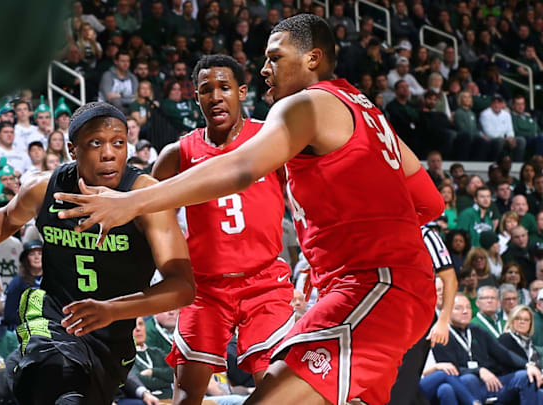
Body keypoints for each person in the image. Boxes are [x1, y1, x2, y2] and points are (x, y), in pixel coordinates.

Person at [54, 14, 444, 405]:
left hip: (368, 285)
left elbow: (241, 168)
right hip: (379, 288)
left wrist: (130, 201)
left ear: (313, 58)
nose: (265, 69)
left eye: (275, 57)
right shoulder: (368, 111)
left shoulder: (305, 104)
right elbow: (430, 202)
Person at [0, 101, 195, 405]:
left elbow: (183, 288)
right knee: (53, 380)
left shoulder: (146, 197)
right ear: (73, 150)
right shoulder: (43, 188)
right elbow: (6, 219)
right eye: (96, 143)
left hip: (110, 337)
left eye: (119, 143)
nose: (109, 153)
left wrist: (112, 310)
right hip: (52, 318)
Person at [152, 54, 294, 405]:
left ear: (242, 92)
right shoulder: (179, 152)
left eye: (224, 87)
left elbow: (304, 202)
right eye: (206, 90)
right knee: (186, 394)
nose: (215, 96)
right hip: (204, 287)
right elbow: (149, 215)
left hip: (263, 282)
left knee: (277, 391)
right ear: (196, 98)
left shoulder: (270, 139)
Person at [388, 224, 459, 404]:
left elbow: (450, 278)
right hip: (386, 317)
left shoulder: (425, 234)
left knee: (402, 384)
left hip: (416, 319)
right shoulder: (379, 230)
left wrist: (443, 321)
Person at [433, 294, 543, 404]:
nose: (465, 311)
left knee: (526, 376)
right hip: (464, 386)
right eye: (458, 308)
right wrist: (478, 371)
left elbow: (503, 353)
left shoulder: (477, 330)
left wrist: (527, 365)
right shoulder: (442, 335)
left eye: (468, 307)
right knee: (469, 379)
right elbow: (450, 370)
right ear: (446, 311)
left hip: (491, 384)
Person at [132, 316, 173, 400]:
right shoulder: (127, 357)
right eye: (134, 326)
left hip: (170, 398)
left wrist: (153, 372)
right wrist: (167, 382)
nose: (138, 329)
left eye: (141, 324)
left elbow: (175, 373)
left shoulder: (157, 352)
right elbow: (138, 381)